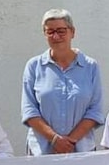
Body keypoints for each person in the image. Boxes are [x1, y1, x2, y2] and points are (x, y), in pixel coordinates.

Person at [22, 9, 104, 156]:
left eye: (61, 31)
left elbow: (95, 111)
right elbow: (29, 110)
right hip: (42, 153)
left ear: (72, 32)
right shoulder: (34, 66)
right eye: (50, 31)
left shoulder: (90, 66)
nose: (56, 36)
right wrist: (55, 140)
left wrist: (70, 142)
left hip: (81, 152)